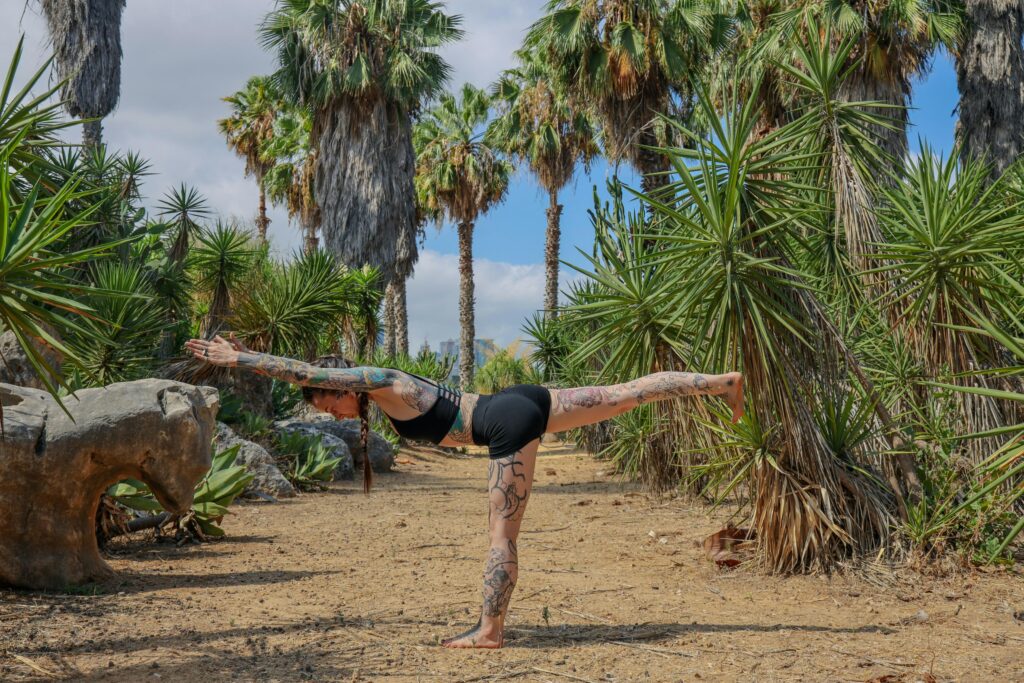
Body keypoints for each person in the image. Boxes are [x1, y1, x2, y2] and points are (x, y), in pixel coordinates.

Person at [185, 334, 744, 649]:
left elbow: (306, 367)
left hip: (503, 424)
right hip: (516, 402)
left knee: (501, 535)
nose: (329, 408)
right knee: (625, 394)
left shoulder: (381, 379)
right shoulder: (387, 394)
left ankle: (489, 631)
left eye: (326, 399)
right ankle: (721, 384)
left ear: (340, 384)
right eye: (324, 406)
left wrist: (241, 360)